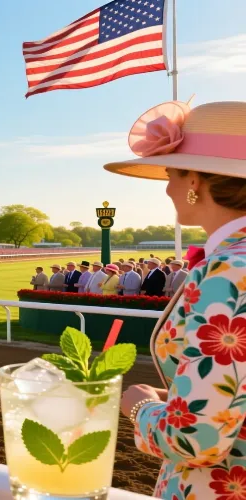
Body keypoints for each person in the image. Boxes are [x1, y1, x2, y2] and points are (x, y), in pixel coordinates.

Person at [105, 100, 246, 499]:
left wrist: (139, 406)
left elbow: (195, 439)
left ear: (195, 183)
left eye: (171, 174)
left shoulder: (228, 271)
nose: (167, 187)